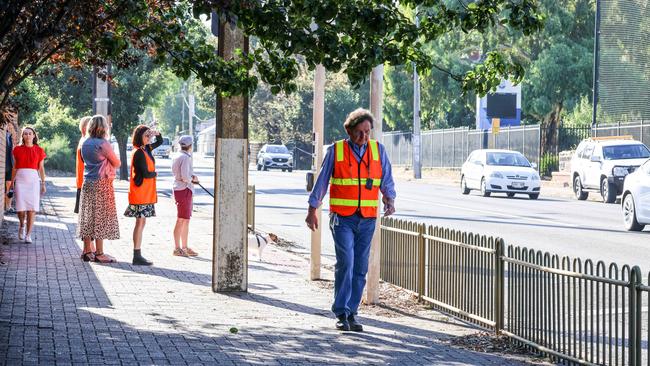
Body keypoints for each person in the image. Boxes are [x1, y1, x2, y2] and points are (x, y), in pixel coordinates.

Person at [305, 108, 396, 332]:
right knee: (346, 263)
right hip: (342, 218)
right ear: (349, 130)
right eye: (359, 132)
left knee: (360, 267)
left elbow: (386, 178)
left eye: (367, 132)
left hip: (366, 218)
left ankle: (352, 313)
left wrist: (389, 199)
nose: (363, 137)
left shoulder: (378, 150)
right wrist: (312, 208)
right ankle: (341, 312)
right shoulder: (337, 151)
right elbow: (323, 180)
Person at [78, 115, 121, 263]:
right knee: (100, 218)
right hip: (102, 183)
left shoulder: (85, 143)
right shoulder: (103, 144)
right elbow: (117, 163)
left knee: (88, 217)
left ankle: (87, 251)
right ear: (103, 127)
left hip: (87, 183)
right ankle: (100, 253)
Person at [124, 125, 163, 266]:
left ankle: (138, 254)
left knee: (142, 222)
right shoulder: (139, 152)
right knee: (139, 223)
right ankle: (136, 255)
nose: (149, 138)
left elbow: (160, 142)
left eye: (149, 135)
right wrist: (155, 174)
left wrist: (157, 133)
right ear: (139, 136)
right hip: (140, 193)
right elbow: (146, 173)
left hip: (145, 193)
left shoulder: (146, 149)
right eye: (146, 135)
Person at [10, 126, 47, 243]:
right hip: (20, 180)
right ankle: (22, 225)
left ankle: (28, 234)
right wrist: (11, 182)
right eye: (25, 134)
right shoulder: (17, 150)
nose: (27, 135)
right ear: (23, 136)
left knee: (31, 209)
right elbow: (14, 167)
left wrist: (43, 183)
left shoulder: (39, 150)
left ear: (34, 135)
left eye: (30, 133)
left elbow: (41, 169)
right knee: (20, 209)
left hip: (33, 181)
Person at [171, 135, 199, 257]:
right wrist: (193, 179)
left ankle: (184, 247)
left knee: (185, 219)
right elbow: (185, 176)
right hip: (184, 189)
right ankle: (177, 248)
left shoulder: (177, 155)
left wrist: (191, 177)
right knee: (181, 219)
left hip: (180, 189)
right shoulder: (186, 157)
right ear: (190, 146)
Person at [75, 116, 96, 260]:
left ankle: (89, 248)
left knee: (88, 218)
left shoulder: (84, 141)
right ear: (85, 128)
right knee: (88, 218)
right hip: (86, 184)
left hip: (83, 183)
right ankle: (87, 249)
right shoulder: (85, 142)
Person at [5, 130, 14, 213]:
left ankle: (9, 207)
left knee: (10, 186)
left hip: (10, 165)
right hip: (3, 165)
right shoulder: (3, 134)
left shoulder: (9, 135)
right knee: (5, 187)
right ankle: (5, 206)